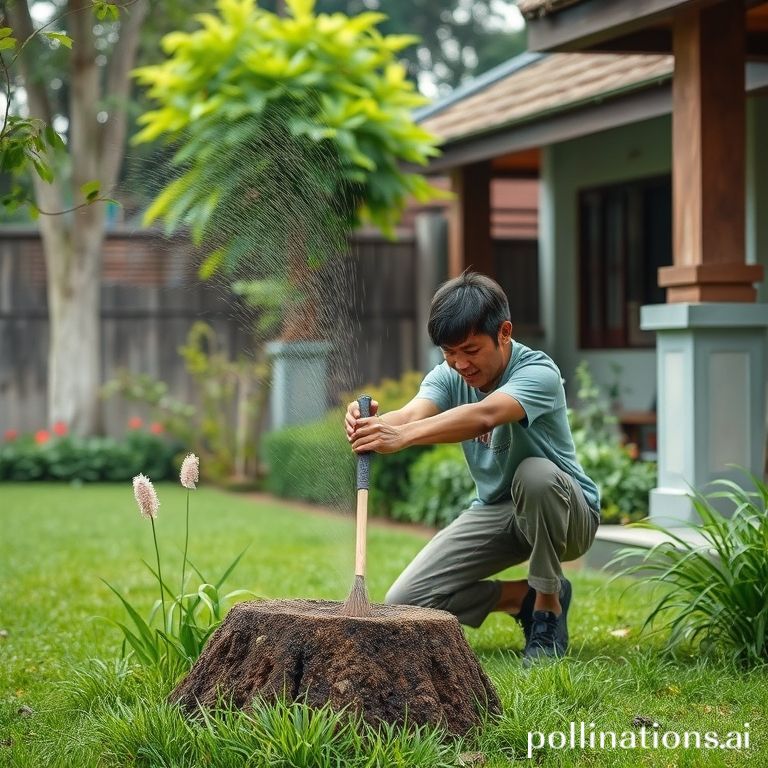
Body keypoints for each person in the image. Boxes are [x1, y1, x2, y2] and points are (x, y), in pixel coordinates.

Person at [344, 272, 600, 664]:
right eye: (449, 353)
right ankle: (523, 598)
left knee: (534, 474)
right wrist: (374, 424)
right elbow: (414, 412)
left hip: (566, 515)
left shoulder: (539, 373)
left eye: (469, 349)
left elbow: (485, 416)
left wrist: (405, 437)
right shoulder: (449, 375)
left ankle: (548, 607)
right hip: (498, 513)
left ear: (504, 332)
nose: (460, 363)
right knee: (408, 600)